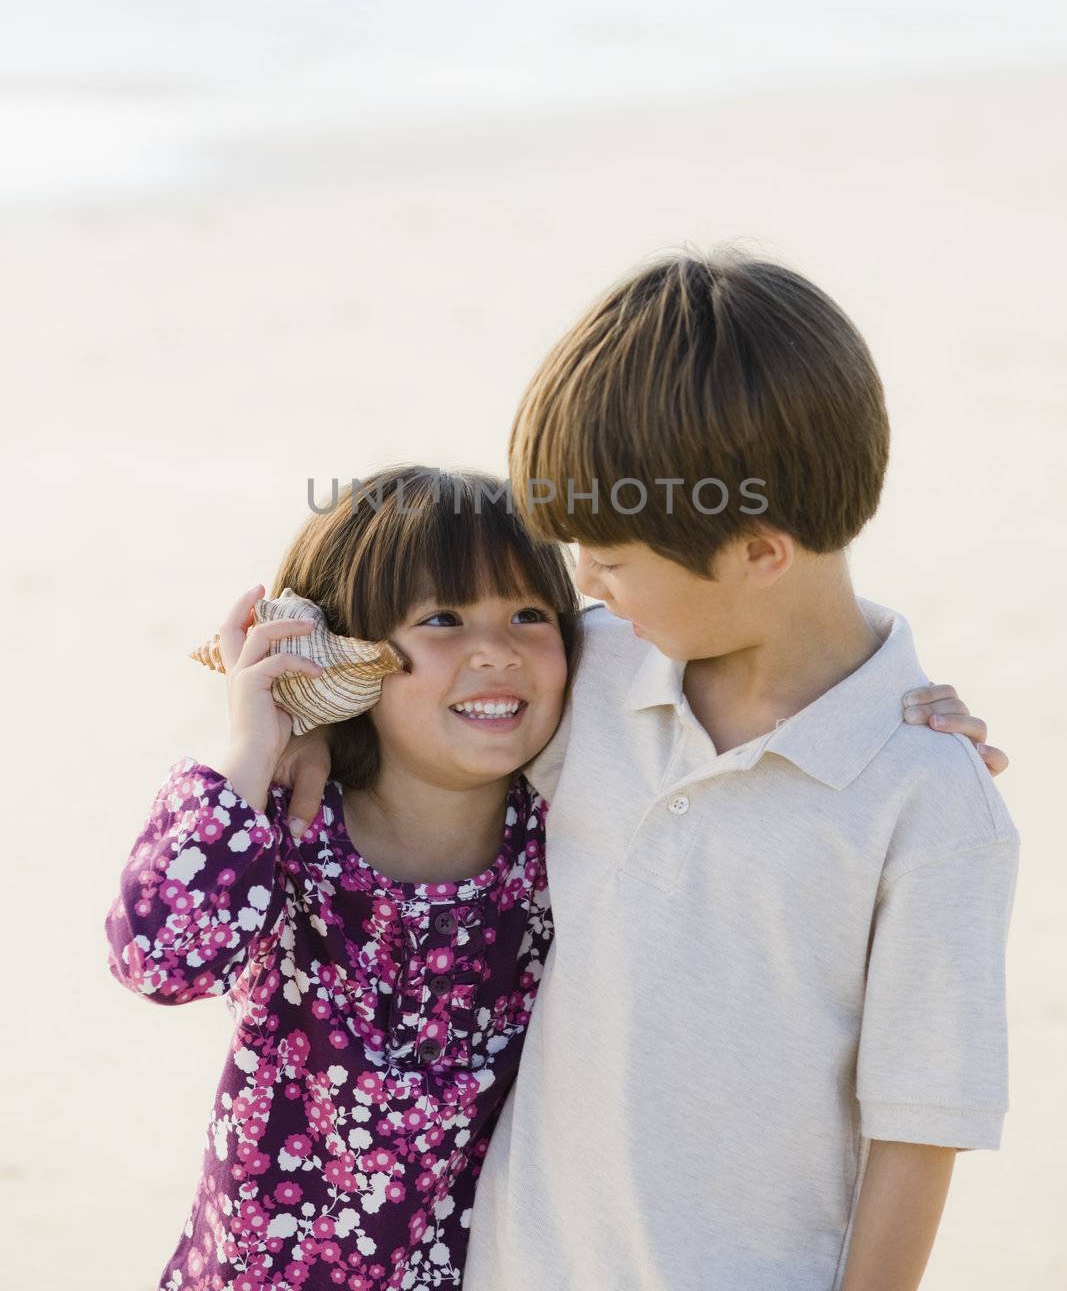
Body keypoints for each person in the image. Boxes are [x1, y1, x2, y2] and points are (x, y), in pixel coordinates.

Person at [457, 249, 1021, 1291]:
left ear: (759, 552)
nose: (581, 581)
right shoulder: (589, 671)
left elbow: (918, 1123)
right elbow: (406, 694)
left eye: (613, 558)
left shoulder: (930, 800)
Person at [104, 466, 584, 1291]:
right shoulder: (287, 825)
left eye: (529, 614)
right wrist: (254, 745)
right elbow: (158, 959)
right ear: (354, 655)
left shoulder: (568, 836)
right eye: (442, 618)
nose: (495, 650)